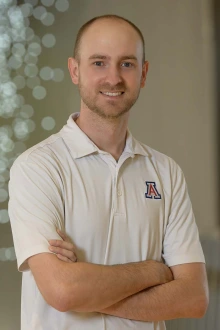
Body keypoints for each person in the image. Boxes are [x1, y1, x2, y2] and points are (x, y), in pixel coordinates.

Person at [8, 14, 209, 330]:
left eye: (127, 64)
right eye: (99, 63)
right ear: (75, 70)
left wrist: (86, 289)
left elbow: (194, 298)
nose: (113, 78)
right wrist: (154, 271)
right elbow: (62, 291)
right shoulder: (38, 168)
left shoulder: (166, 172)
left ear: (143, 73)